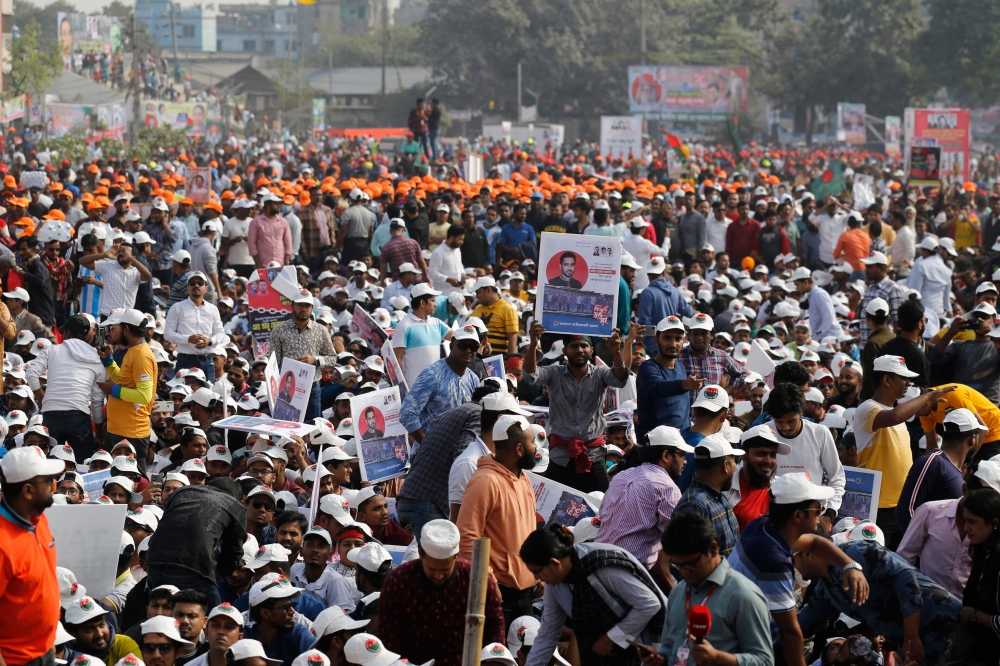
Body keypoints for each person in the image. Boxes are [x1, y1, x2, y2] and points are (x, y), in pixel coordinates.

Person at [728, 474, 869, 666]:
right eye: (817, 509)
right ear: (797, 516)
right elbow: (790, 632)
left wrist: (850, 565)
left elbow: (813, 542)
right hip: (743, 648)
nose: (820, 516)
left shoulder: (762, 527)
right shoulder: (775, 565)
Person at [795, 527, 961, 665]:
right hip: (918, 648)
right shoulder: (826, 590)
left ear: (808, 554)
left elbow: (905, 577)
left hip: (945, 625)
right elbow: (797, 625)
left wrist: (911, 637)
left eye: (791, 560)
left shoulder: (856, 552)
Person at [637, 510, 773, 666]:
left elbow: (765, 660)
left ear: (713, 549)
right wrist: (659, 658)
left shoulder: (744, 596)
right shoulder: (678, 591)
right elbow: (669, 645)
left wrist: (718, 658)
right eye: (678, 566)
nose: (684, 572)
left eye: (690, 565)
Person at [519, 523, 667, 666]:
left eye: (536, 572)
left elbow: (649, 604)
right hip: (600, 655)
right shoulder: (554, 584)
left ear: (555, 563)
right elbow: (548, 633)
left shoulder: (601, 565)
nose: (537, 578)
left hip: (643, 651)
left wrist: (612, 637)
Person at [854, 355, 955, 549]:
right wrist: (926, 397)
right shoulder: (867, 408)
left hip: (902, 504)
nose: (909, 383)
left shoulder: (895, 414)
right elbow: (896, 416)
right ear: (887, 379)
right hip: (878, 505)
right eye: (903, 378)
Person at [379, 520, 505, 666]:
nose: (438, 576)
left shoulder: (476, 580)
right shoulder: (398, 581)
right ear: (420, 555)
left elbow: (495, 627)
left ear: (456, 557)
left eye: (445, 570)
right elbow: (389, 637)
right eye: (432, 569)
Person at [522, 321, 629, 492]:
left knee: (600, 505)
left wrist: (616, 351)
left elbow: (620, 380)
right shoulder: (554, 373)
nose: (579, 350)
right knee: (556, 510)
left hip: (593, 455)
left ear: (591, 351)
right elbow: (530, 376)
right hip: (560, 456)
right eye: (574, 346)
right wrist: (534, 343)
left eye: (584, 345)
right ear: (565, 351)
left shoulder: (600, 373)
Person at [457, 414, 538, 627]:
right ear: (519, 449)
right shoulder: (485, 481)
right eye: (532, 442)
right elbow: (467, 538)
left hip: (526, 593)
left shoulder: (524, 478)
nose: (536, 447)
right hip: (498, 595)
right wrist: (487, 583)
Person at [595, 425, 692, 585]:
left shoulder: (622, 476)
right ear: (666, 455)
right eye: (682, 455)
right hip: (625, 574)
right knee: (657, 608)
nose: (685, 461)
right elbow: (675, 544)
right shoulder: (667, 488)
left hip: (595, 562)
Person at [0, 446, 65, 666]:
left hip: (44, 650)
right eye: (47, 481)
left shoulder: (38, 519)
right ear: (28, 491)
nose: (53, 486)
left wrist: (48, 639)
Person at [145, 478, 247, 609]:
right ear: (238, 498)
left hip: (154, 561)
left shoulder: (183, 491)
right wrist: (217, 574)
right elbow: (233, 553)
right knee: (213, 616)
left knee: (160, 609)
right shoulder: (236, 507)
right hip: (193, 567)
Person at [764, 383, 846, 531]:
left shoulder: (820, 433)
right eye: (779, 422)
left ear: (801, 411)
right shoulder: (763, 433)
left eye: (791, 421)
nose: (785, 427)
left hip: (813, 519)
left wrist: (829, 514)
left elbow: (837, 477)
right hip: (775, 519)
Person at [26, 314, 105, 461]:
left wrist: (42, 400)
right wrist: (99, 435)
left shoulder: (52, 350)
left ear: (68, 333)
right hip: (79, 416)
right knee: (82, 464)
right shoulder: (96, 359)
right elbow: (97, 400)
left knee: (50, 465)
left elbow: (31, 374)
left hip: (51, 414)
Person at [895, 407, 983, 534]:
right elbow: (905, 511)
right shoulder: (933, 461)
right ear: (972, 439)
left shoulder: (953, 468)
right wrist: (923, 547)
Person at [97, 308, 158, 474]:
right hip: (118, 429)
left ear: (127, 329)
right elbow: (123, 381)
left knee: (133, 481)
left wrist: (113, 390)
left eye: (118, 327)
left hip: (132, 432)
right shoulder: (132, 351)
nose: (112, 332)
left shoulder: (142, 356)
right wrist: (108, 361)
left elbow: (144, 396)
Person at [399, 325, 482, 444]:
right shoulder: (432, 374)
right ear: (451, 346)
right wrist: (428, 444)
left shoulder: (474, 379)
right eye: (463, 346)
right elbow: (407, 413)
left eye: (473, 347)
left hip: (459, 454)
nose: (468, 350)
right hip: (430, 457)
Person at [269, 289, 336, 423]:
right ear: (292, 305)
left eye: (307, 305)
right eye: (300, 305)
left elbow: (333, 358)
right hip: (286, 390)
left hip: (312, 388)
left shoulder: (321, 330)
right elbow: (273, 362)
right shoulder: (279, 330)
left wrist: (315, 360)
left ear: (312, 308)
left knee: (312, 429)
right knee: (286, 427)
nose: (303, 309)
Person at [637, 316, 703, 442]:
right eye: (667, 338)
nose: (673, 344)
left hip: (681, 442)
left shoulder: (680, 367)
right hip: (655, 445)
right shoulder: (648, 367)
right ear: (656, 340)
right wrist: (684, 384)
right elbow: (658, 387)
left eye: (678, 339)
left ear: (684, 341)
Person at [673, 434, 741, 557]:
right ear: (726, 466)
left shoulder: (717, 497)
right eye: (734, 462)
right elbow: (689, 560)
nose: (736, 467)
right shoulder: (694, 504)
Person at [955, 487, 1000, 662]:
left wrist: (975, 616)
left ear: (994, 523)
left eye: (972, 522)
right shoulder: (984, 551)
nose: (966, 528)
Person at [164, 271, 226, 382]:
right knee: (184, 395)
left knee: (207, 396)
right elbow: (168, 334)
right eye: (192, 283)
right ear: (188, 287)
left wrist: (209, 341)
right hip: (185, 360)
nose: (196, 285)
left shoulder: (213, 309)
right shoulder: (177, 308)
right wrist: (188, 339)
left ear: (206, 288)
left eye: (200, 283)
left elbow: (221, 333)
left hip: (207, 361)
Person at [241, 573, 315, 666]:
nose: (292, 611)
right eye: (286, 607)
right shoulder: (245, 639)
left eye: (291, 605)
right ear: (265, 613)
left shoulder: (299, 635)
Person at [390, 282, 450, 388]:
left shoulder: (437, 323)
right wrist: (401, 387)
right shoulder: (403, 326)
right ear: (422, 302)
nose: (435, 304)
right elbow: (397, 359)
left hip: (436, 386)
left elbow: (457, 337)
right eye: (432, 301)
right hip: (414, 388)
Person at [678, 312, 746, 403]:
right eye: (695, 333)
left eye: (704, 333)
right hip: (686, 414)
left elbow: (741, 373)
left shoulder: (721, 355)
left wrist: (725, 392)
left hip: (713, 414)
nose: (699, 337)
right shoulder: (678, 356)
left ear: (712, 334)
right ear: (689, 334)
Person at [79, 238, 150, 319]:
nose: (120, 253)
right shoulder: (108, 266)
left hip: (126, 317)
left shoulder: (136, 272)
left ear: (133, 256)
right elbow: (82, 261)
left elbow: (147, 275)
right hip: (108, 315)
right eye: (119, 251)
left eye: (124, 251)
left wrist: (132, 259)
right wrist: (104, 255)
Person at [289, 527, 355, 612]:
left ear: (329, 554)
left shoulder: (336, 581)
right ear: (301, 551)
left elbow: (340, 619)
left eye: (321, 546)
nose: (315, 550)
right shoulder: (295, 569)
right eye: (310, 544)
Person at [65, 594, 143, 665]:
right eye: (89, 629)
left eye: (101, 625)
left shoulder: (123, 644)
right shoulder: (63, 654)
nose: (99, 634)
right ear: (73, 636)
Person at [637, 257, 693, 351]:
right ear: (663, 272)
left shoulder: (647, 293)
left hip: (652, 346)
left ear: (648, 274)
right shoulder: (675, 291)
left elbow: (644, 323)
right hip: (671, 344)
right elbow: (689, 312)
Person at [469, 276, 519, 355]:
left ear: (488, 290)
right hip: (478, 359)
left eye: (478, 292)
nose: (476, 296)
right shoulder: (478, 308)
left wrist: (510, 360)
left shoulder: (508, 309)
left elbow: (513, 338)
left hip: (499, 360)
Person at [791, 267, 843, 340]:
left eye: (797, 285)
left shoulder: (819, 294)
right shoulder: (812, 295)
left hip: (832, 338)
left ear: (805, 282)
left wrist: (817, 336)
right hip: (825, 337)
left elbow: (828, 318)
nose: (797, 288)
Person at [248, 193, 293, 269]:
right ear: (268, 206)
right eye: (276, 204)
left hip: (280, 263)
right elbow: (251, 243)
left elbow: (288, 242)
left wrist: (286, 261)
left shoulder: (283, 222)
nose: (279, 206)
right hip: (263, 264)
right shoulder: (256, 222)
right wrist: (257, 263)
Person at [427, 223, 464, 295]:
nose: (462, 242)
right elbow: (432, 273)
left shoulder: (457, 249)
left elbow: (459, 264)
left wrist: (463, 274)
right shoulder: (438, 252)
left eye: (463, 239)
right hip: (444, 294)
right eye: (460, 239)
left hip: (458, 293)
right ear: (452, 238)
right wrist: (448, 279)